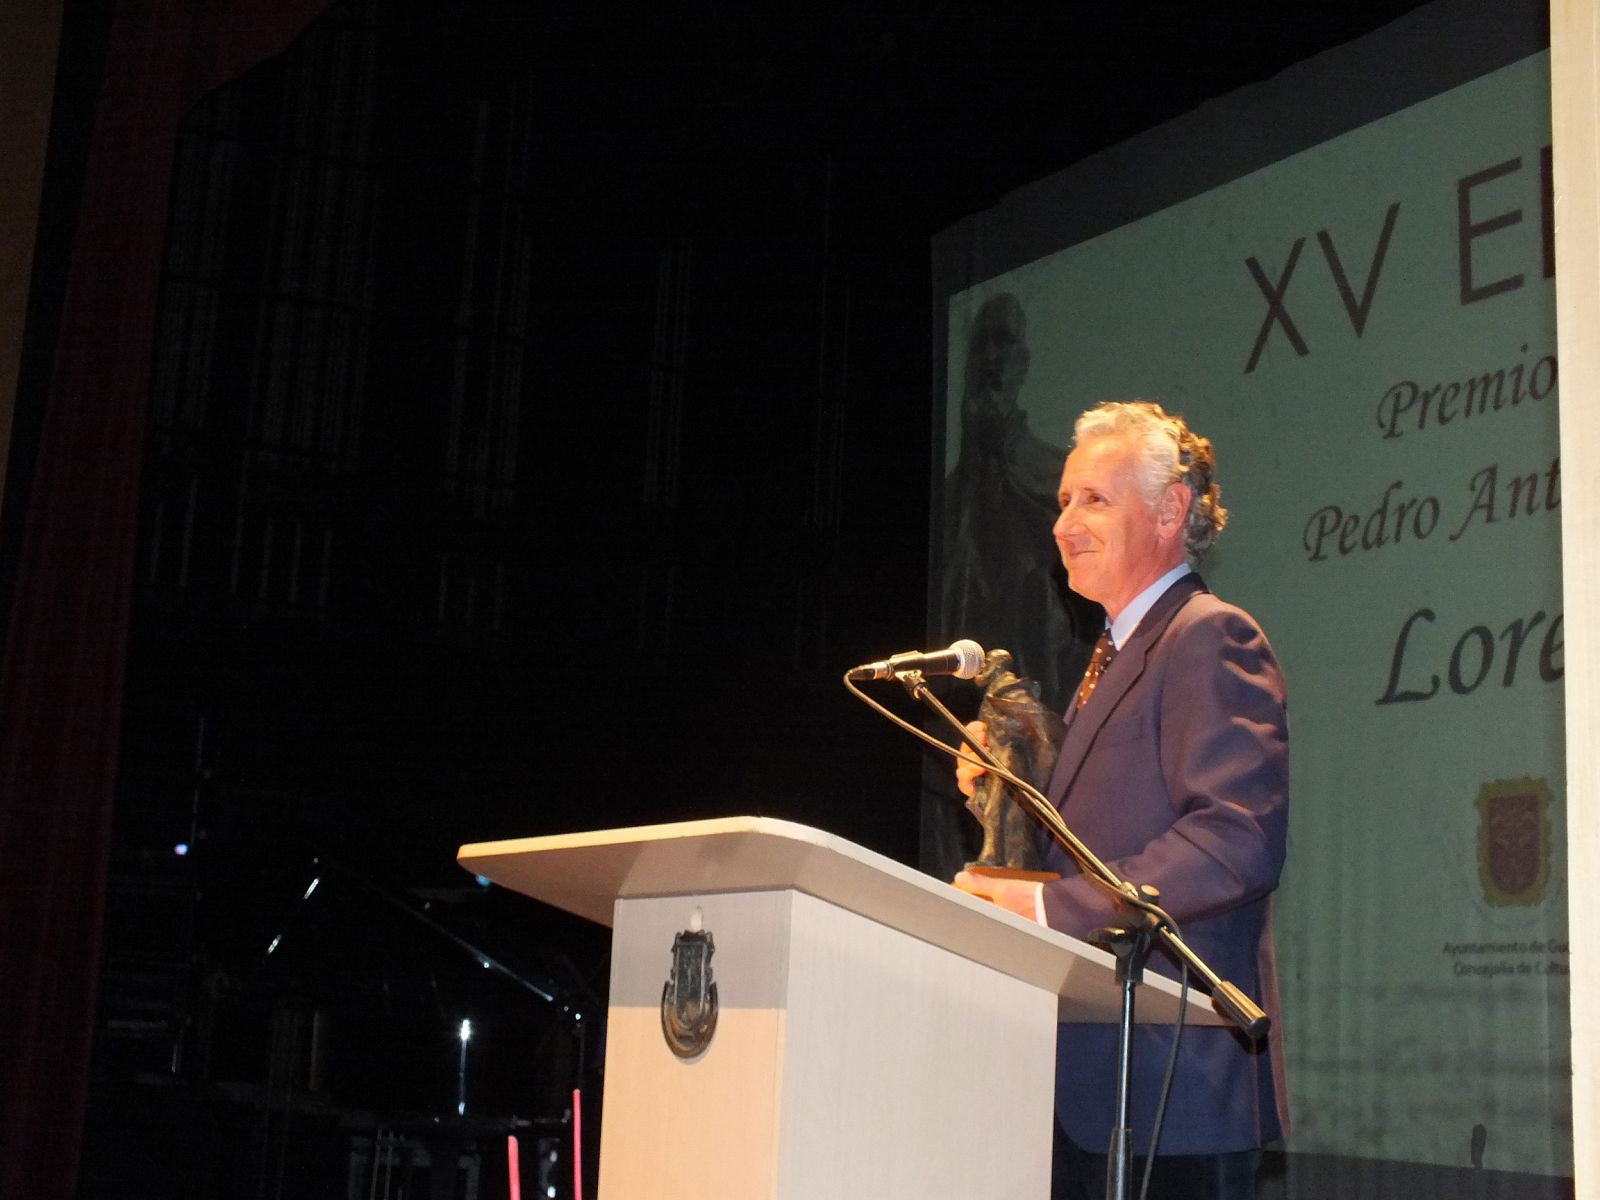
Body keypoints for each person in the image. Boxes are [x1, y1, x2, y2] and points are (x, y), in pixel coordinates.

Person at [954, 401, 1289, 1200]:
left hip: (1175, 1093)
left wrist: (1050, 910)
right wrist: (1010, 788)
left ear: (1170, 511)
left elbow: (1234, 840)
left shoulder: (1210, 636)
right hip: (1095, 1089)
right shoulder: (1116, 653)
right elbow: (1101, 828)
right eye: (1063, 500)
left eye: (1093, 500)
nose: (1063, 523)